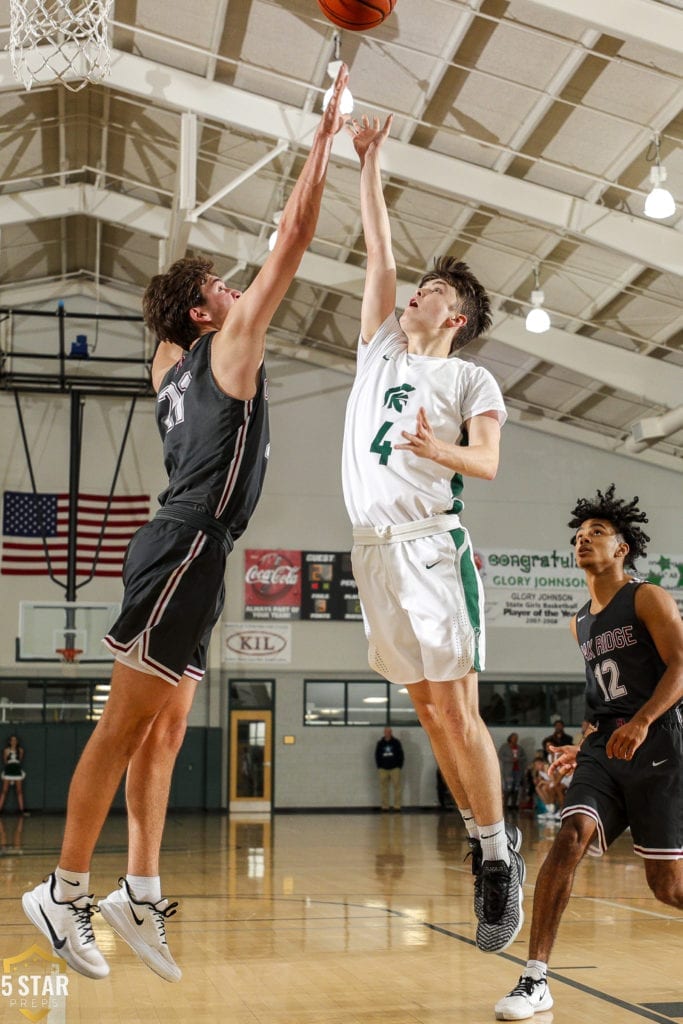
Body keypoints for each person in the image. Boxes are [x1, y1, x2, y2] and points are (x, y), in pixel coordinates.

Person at [22, 64, 351, 985]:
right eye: (223, 287)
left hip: (196, 553)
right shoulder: (224, 349)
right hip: (185, 545)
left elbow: (167, 318)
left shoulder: (169, 363)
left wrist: (190, 289)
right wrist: (320, 137)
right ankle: (62, 886)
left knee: (166, 733)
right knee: (123, 728)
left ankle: (137, 886)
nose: (241, 290)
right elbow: (291, 236)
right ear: (209, 314)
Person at [342, 113, 523, 955]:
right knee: (424, 709)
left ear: (454, 318)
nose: (415, 293)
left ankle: (496, 859)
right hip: (371, 551)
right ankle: (478, 832)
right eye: (418, 288)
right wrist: (370, 163)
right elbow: (377, 252)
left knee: (455, 710)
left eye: (433, 294)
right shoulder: (379, 345)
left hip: (427, 544)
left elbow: (483, 465)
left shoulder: (468, 374)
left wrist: (432, 446)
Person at [495, 484, 683, 1021]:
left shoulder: (647, 597)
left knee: (668, 887)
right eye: (579, 535)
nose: (584, 540)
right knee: (569, 836)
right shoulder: (580, 620)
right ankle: (535, 979)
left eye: (597, 533)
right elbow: (602, 696)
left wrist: (644, 721)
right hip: (605, 748)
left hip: (660, 744)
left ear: (622, 547)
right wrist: (580, 748)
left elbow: (681, 666)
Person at [375, 727, 404, 811]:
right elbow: (377, 755)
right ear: (384, 733)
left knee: (397, 788)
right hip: (383, 769)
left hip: (395, 768)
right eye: (386, 732)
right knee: (384, 788)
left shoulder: (396, 742)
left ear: (391, 732)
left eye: (389, 732)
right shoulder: (380, 743)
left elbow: (401, 755)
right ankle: (385, 806)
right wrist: (379, 766)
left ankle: (397, 806)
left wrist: (399, 766)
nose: (387, 733)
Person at [498, 733, 527, 811]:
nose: (515, 739)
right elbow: (500, 756)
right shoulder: (504, 747)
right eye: (514, 738)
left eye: (516, 738)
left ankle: (514, 805)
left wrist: (518, 759)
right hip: (508, 771)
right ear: (510, 738)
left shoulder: (519, 748)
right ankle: (505, 806)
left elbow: (524, 757)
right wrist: (510, 760)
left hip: (518, 770)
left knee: (516, 788)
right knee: (508, 788)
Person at [0, 736, 28, 815]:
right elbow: (5, 761)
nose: (13, 741)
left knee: (19, 791)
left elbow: (20, 760)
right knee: (4, 791)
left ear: (17, 741)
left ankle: (22, 810)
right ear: (9, 741)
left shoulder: (20, 750)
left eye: (15, 740)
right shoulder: (6, 750)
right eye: (12, 740)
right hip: (9, 770)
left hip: (17, 770)